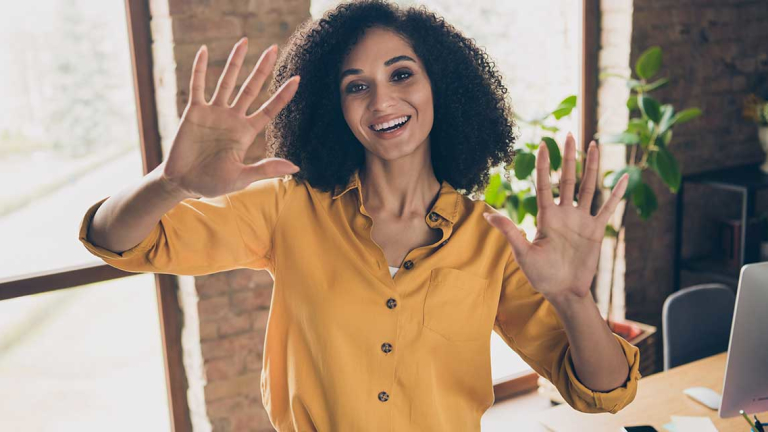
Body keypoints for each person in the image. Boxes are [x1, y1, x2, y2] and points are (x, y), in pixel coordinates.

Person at [78, 1, 639, 430]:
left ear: (440, 86)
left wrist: (572, 298)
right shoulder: (287, 205)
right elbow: (119, 239)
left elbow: (603, 391)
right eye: (356, 86)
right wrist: (169, 183)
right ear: (334, 106)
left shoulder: (491, 240)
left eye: (401, 75)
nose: (382, 102)